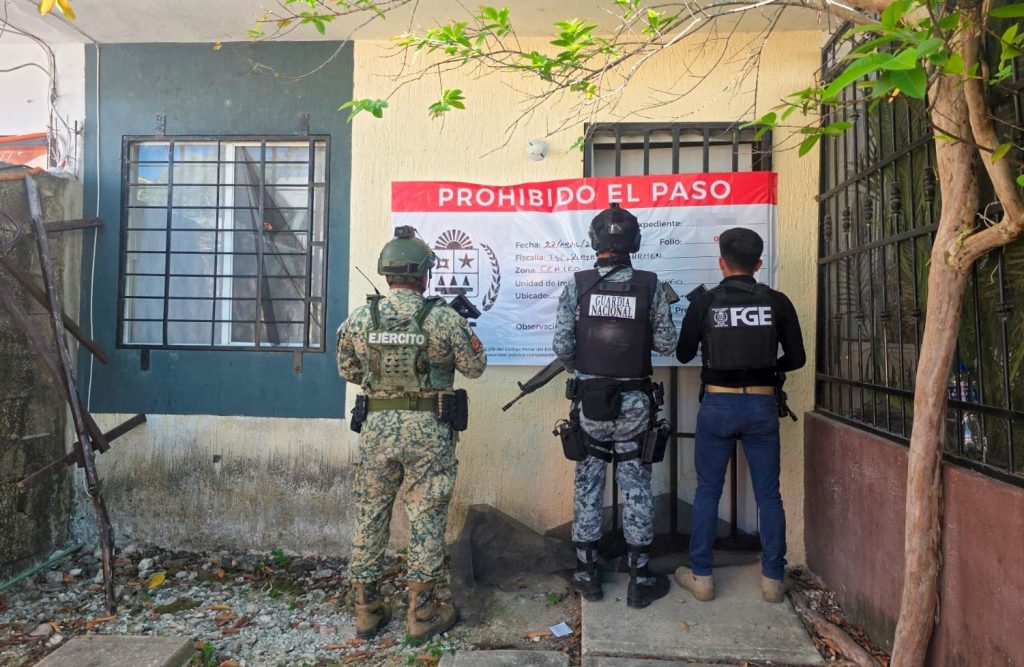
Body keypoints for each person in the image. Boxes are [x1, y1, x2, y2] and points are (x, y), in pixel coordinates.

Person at [335, 226, 487, 640]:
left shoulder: (361, 318)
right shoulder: (443, 318)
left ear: (387, 273)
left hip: (377, 428)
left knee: (370, 512)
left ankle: (366, 609)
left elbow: (347, 370)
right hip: (428, 430)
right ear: (424, 275)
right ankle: (421, 613)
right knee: (426, 515)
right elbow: (475, 367)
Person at [553, 203, 678, 609]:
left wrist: (583, 372)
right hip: (635, 405)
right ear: (634, 242)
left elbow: (562, 346)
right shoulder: (650, 285)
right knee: (636, 486)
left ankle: (586, 574)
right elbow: (667, 344)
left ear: (595, 242)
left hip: (590, 404)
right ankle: (639, 579)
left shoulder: (578, 284)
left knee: (587, 483)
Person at [673, 227, 805, 604]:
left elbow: (683, 354)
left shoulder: (706, 303)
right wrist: (766, 369)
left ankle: (702, 577)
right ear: (758, 265)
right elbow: (797, 358)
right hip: (762, 406)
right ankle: (773, 580)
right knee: (768, 494)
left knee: (707, 491)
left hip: (718, 405)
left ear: (722, 263)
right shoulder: (777, 302)